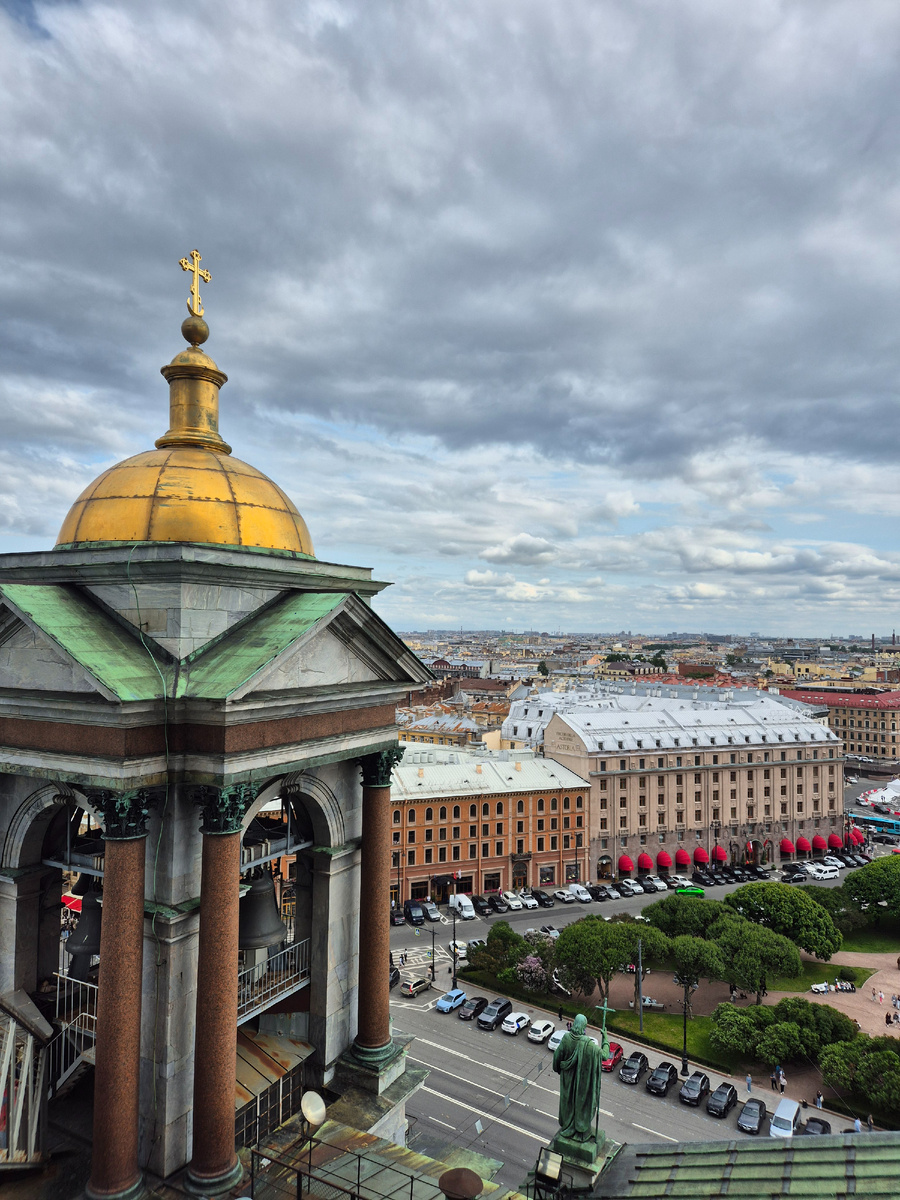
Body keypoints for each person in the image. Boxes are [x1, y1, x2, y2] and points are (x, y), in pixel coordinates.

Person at [552, 1012, 605, 1142]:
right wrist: (606, 1039)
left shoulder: (566, 1038)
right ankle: (579, 1127)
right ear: (584, 1027)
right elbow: (604, 1055)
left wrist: (559, 1069)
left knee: (567, 1102)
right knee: (579, 1102)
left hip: (567, 1078)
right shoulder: (588, 1044)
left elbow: (557, 1056)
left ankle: (568, 1126)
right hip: (581, 1081)